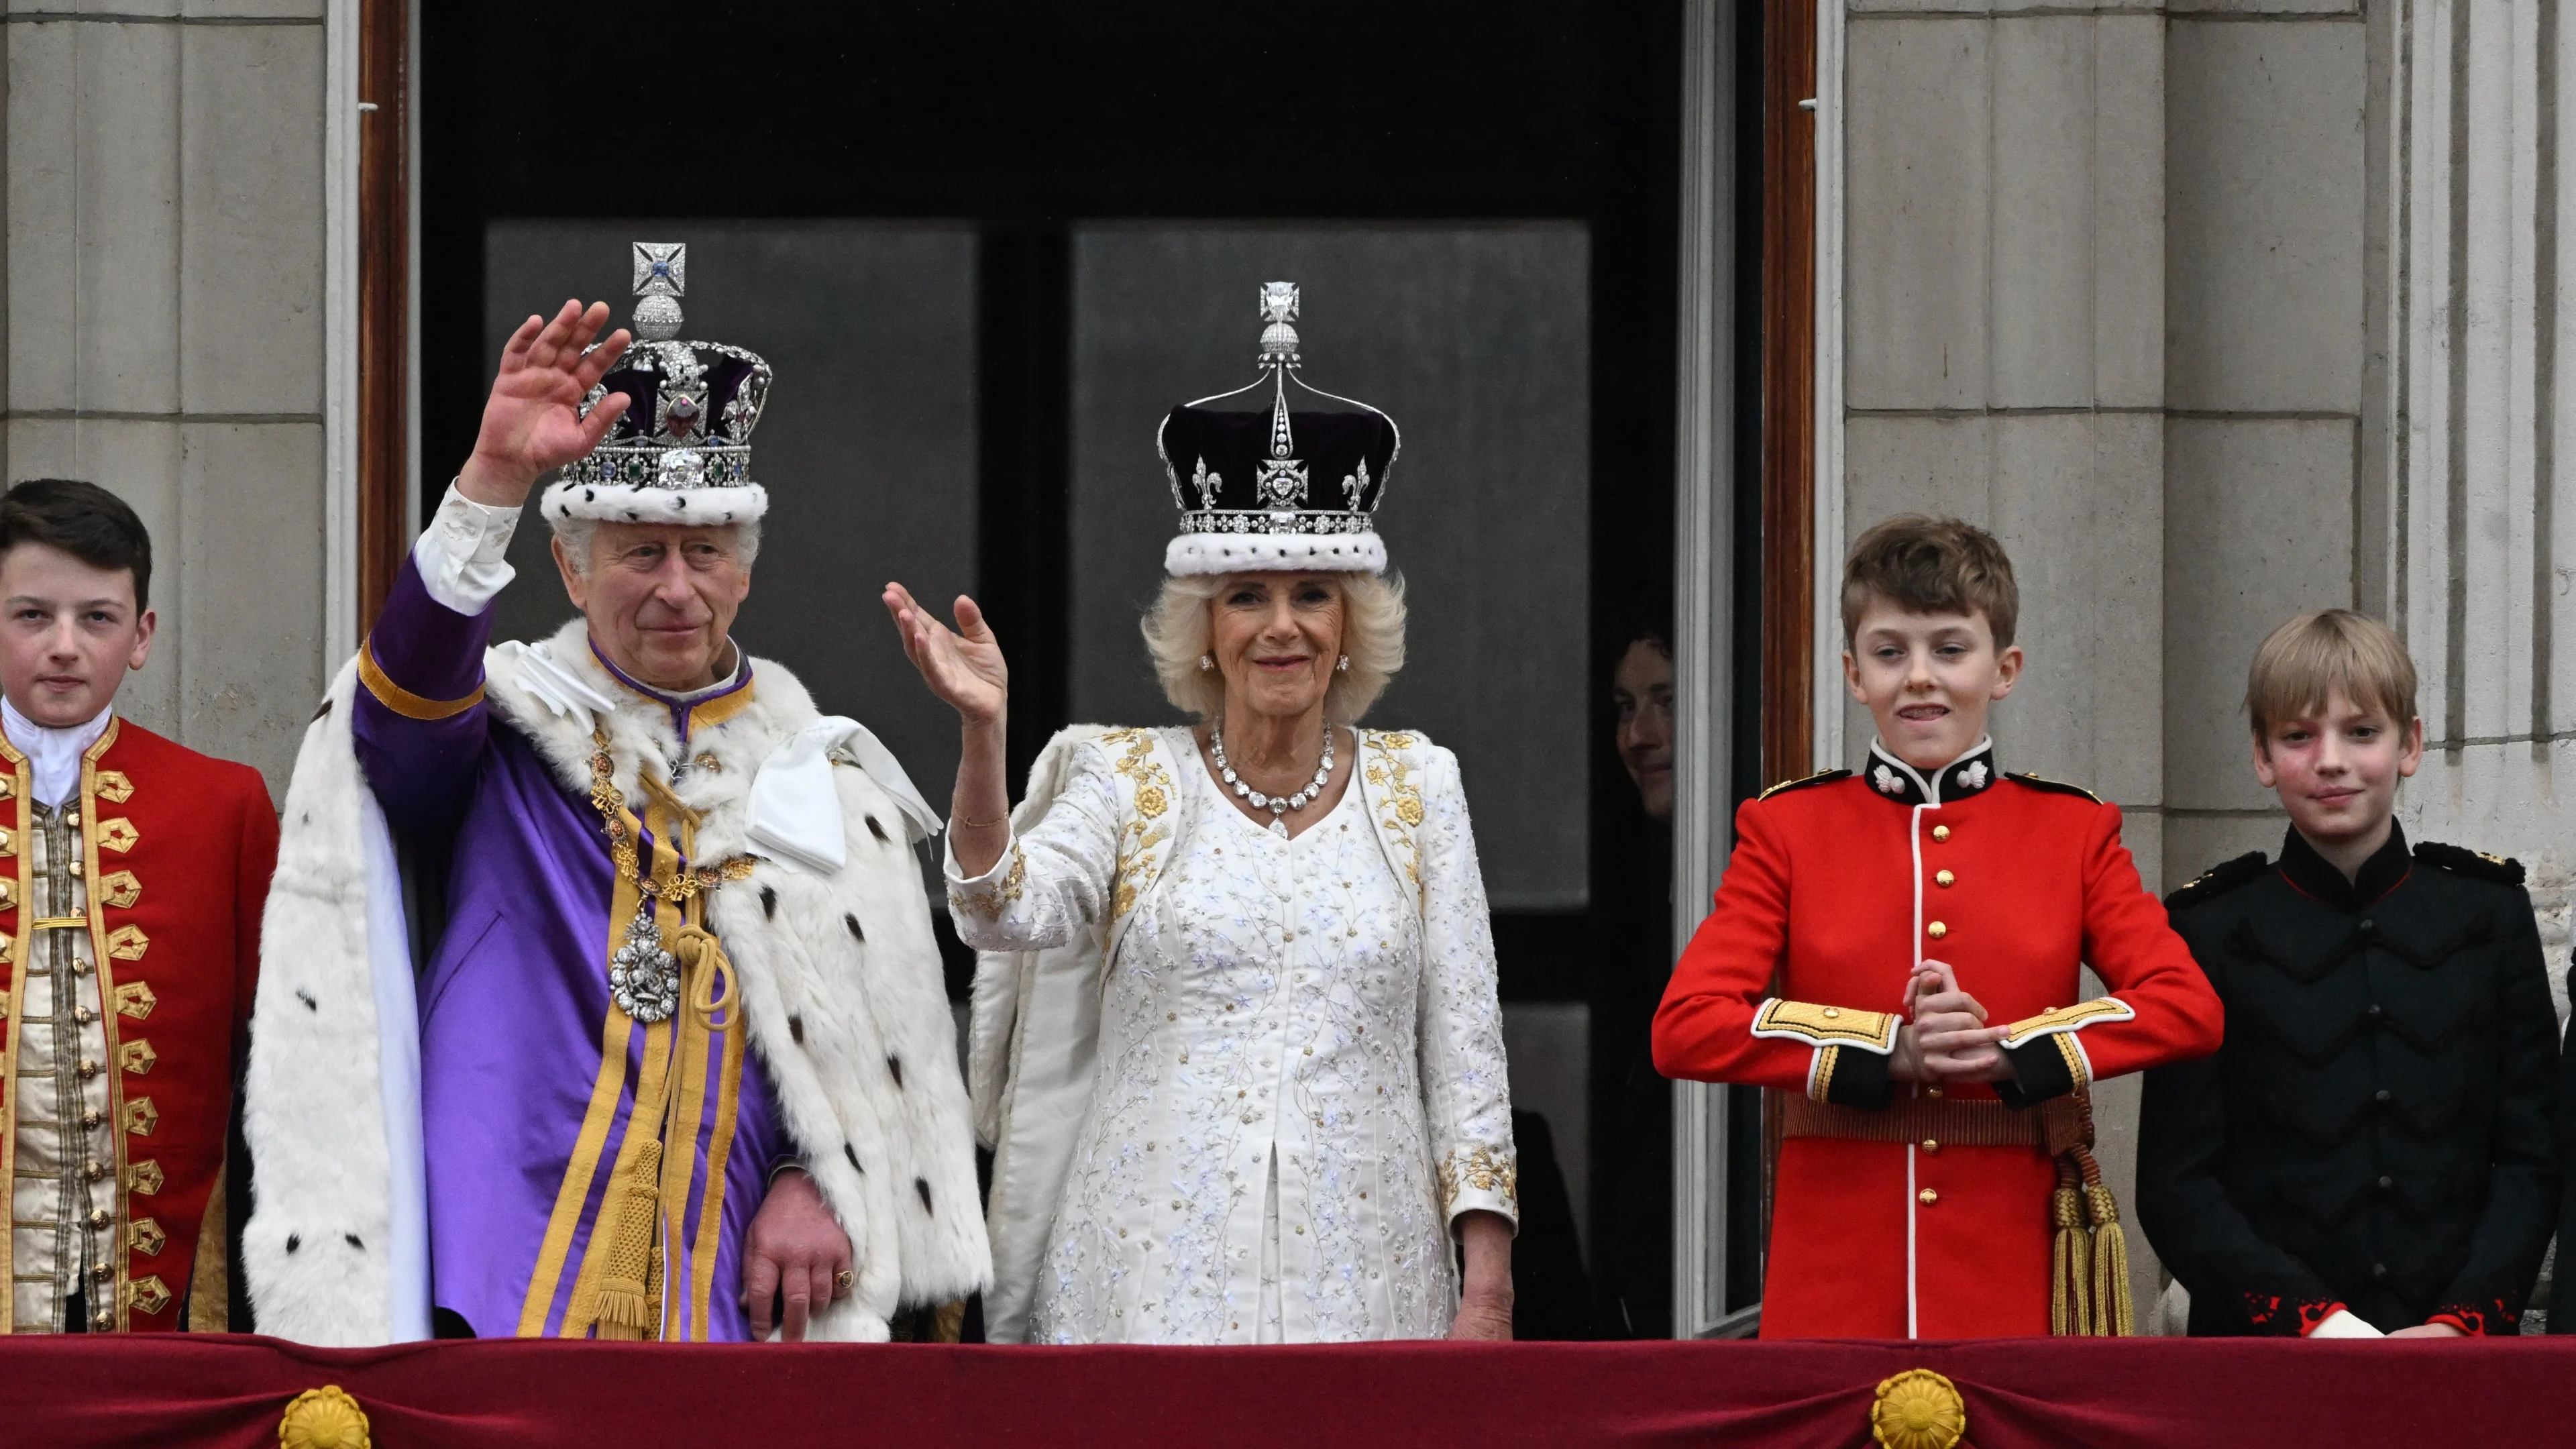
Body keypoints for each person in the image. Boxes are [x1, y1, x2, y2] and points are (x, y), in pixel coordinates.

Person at [244, 245, 986, 1345]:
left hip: (735, 1271)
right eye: (641, 551)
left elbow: (861, 1046)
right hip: (503, 1239)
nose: (676, 587)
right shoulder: (503, 728)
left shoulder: (825, 783)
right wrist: (491, 481)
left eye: (704, 551)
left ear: (747, 569)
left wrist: (814, 1176)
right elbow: (394, 720)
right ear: (571, 566)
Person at [888, 282, 1517, 1344]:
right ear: (1204, 629)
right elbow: (997, 910)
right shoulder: (1129, 781)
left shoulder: (1420, 787)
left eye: (1311, 596)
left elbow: (1466, 1054)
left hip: (1369, 1282)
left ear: (1351, 622)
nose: (1283, 627)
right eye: (1246, 598)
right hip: (1146, 1283)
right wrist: (984, 734)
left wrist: (1487, 1291)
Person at [1652, 514, 2223, 1338]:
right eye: (1891, 653)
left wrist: (2012, 1051)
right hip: (1836, 1281)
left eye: (1950, 650)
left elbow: (2186, 1006)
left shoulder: (2074, 830)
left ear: (2005, 669)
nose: (1919, 678)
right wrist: (1886, 1049)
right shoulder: (1787, 830)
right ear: (1854, 675)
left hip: (2013, 1273)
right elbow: (1686, 1027)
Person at [2138, 609, 2555, 1339]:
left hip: (2456, 1352)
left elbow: (2532, 1156)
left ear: (2410, 745)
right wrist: (2318, 1324)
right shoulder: (2206, 931)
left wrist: (2461, 1322)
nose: (2331, 760)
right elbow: (2177, 1184)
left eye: (2361, 732)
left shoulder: (2491, 916)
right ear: (2264, 758)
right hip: (2264, 1355)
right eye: (2299, 736)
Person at [0, 479, 277, 1333]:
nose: (64, 647)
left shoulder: (223, 805)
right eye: (31, 615)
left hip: (161, 1291)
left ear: (143, 635)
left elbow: (275, 1066)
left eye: (97, 618)